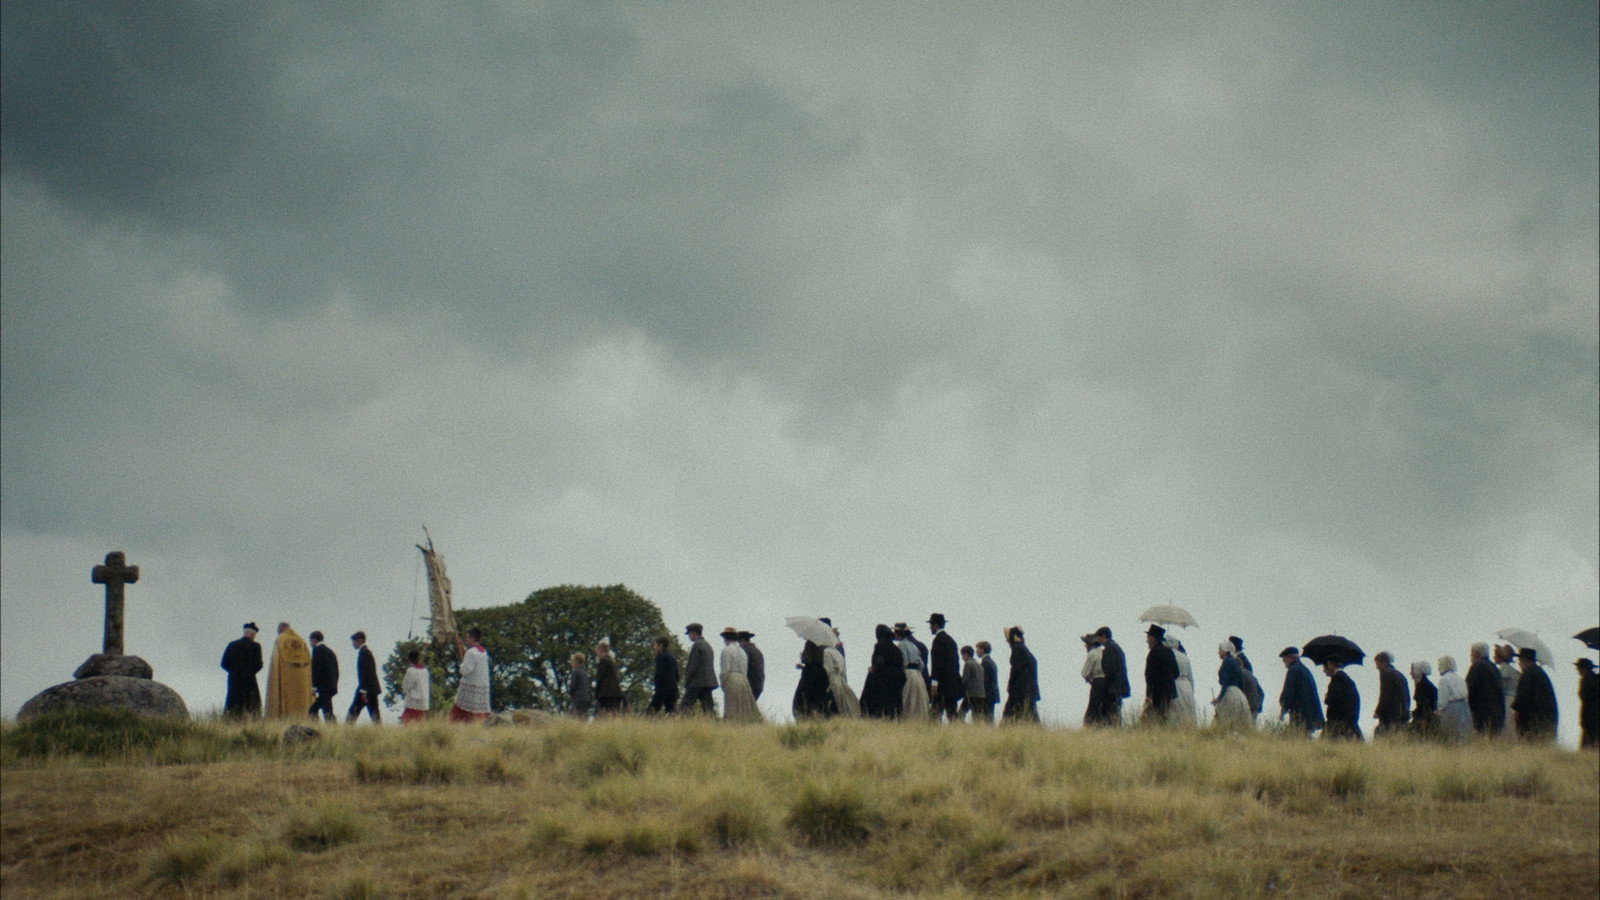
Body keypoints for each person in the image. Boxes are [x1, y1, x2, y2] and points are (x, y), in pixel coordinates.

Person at [266, 622, 312, 718]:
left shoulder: (280, 640)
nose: (277, 632)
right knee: (302, 701)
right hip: (302, 680)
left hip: (285, 678)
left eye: (277, 630)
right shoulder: (302, 641)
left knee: (285, 699)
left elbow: (275, 662)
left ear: (281, 629)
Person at [1509, 648, 1557, 741]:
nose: (1519, 664)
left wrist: (1517, 709)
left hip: (1531, 720)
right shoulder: (1540, 673)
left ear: (1525, 660)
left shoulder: (1528, 674)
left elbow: (1523, 696)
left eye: (1520, 661)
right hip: (1545, 719)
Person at [861, 624, 906, 719]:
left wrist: (873, 668)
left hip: (883, 680)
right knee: (892, 707)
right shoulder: (896, 648)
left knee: (876, 704)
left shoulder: (880, 645)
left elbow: (879, 661)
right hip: (896, 680)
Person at [719, 626, 763, 723]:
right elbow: (744, 670)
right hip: (743, 679)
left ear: (725, 638)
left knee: (731, 705)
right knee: (743, 706)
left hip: (732, 677)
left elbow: (725, 669)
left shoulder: (726, 650)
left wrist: (722, 682)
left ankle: (731, 723)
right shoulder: (742, 651)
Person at [220, 622, 263, 718]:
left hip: (234, 678)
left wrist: (233, 671)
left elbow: (223, 663)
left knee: (233, 701)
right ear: (253, 634)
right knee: (251, 702)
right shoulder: (256, 646)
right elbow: (259, 664)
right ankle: (252, 722)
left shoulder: (232, 645)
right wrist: (250, 672)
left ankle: (231, 720)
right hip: (249, 679)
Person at [1277, 647, 1323, 735]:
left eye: (1284, 659)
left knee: (1296, 738)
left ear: (1291, 657)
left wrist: (1283, 709)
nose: (1283, 661)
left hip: (1300, 714)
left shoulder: (1293, 670)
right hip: (1311, 714)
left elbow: (1288, 692)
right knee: (1306, 738)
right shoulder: (1305, 670)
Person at [928, 614, 964, 723]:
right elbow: (956, 663)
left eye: (931, 625)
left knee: (935, 714)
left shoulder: (938, 640)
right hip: (953, 682)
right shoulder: (951, 640)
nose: (930, 627)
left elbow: (936, 663)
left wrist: (934, 683)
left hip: (942, 683)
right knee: (952, 713)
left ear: (935, 625)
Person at [450, 628, 491, 723]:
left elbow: (465, 670)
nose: (466, 639)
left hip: (470, 686)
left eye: (467, 637)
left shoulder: (471, 652)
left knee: (461, 716)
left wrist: (461, 667)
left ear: (472, 638)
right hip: (480, 686)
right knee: (477, 715)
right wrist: (460, 645)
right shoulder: (483, 652)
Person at [1465, 642, 1505, 735]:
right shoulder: (1494, 667)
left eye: (1472, 652)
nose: (1470, 654)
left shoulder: (1476, 666)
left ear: (1477, 653)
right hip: (1497, 712)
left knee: (1482, 739)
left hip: (1482, 713)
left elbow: (1469, 688)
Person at [1143, 624, 1179, 724]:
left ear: (1153, 638)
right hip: (1169, 692)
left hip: (1157, 692)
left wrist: (1149, 694)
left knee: (1156, 719)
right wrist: (1168, 680)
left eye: (1148, 637)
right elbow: (1176, 672)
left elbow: (1149, 675)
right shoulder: (1170, 652)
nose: (1147, 640)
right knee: (1165, 717)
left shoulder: (1153, 653)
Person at [1002, 626, 1040, 722]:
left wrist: (1010, 685)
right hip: (1029, 689)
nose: (1007, 641)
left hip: (1020, 689)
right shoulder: (1024, 649)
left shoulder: (1017, 649)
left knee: (1011, 714)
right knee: (1030, 715)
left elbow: (1015, 669)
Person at [681, 623, 719, 715]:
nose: (689, 636)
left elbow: (693, 665)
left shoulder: (697, 645)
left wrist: (687, 681)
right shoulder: (707, 645)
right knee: (708, 708)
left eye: (689, 633)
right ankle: (712, 722)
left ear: (694, 633)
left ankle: (680, 721)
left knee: (685, 706)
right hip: (708, 682)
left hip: (697, 682)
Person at [1213, 642, 1253, 729]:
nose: (1218, 652)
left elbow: (1225, 682)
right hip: (1239, 695)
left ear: (1225, 651)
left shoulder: (1227, 662)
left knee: (1227, 722)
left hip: (1230, 694)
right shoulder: (1235, 662)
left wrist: (1219, 698)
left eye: (1220, 650)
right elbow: (1242, 682)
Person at [1321, 656, 1361, 741]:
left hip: (1338, 721)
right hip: (1349, 720)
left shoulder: (1337, 678)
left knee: (1324, 744)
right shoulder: (1345, 678)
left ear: (1331, 664)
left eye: (1327, 665)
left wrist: (1327, 698)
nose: (1324, 670)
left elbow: (1333, 700)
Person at [895, 623, 930, 720]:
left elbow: (905, 662)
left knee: (906, 698)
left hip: (908, 673)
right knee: (918, 699)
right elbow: (921, 664)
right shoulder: (913, 645)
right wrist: (918, 672)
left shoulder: (901, 645)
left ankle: (905, 719)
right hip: (917, 675)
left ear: (898, 634)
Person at [1096, 627, 1130, 726]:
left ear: (1103, 636)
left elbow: (1110, 670)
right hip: (1119, 687)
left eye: (1099, 638)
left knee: (1109, 715)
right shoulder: (1116, 647)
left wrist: (1105, 687)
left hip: (1113, 687)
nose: (1098, 641)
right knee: (1116, 714)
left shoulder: (1109, 648)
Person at [346, 631, 382, 724]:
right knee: (374, 713)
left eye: (354, 641)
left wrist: (363, 691)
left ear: (359, 640)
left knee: (353, 711)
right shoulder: (366, 652)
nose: (353, 644)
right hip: (372, 688)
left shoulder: (364, 653)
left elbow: (365, 673)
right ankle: (379, 730)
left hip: (366, 688)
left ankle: (346, 730)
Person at [1372, 651, 1409, 737]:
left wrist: (1378, 711)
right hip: (1402, 714)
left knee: (1381, 735)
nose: (1377, 667)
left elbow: (1385, 695)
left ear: (1384, 663)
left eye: (1377, 664)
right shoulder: (1400, 674)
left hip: (1391, 715)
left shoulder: (1386, 674)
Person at [822, 633, 860, 717]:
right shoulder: (838, 653)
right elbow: (843, 671)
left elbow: (828, 670)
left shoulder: (826, 652)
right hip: (841, 682)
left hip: (832, 681)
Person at [793, 641, 833, 718]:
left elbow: (806, 659)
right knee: (819, 699)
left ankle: (805, 716)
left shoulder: (810, 642)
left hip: (809, 675)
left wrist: (802, 656)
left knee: (803, 699)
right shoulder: (824, 646)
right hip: (822, 674)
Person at [1435, 655, 1470, 741]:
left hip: (1451, 709)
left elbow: (1443, 699)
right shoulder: (1460, 678)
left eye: (1439, 665)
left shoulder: (1444, 680)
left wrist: (1439, 710)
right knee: (1463, 734)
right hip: (1464, 708)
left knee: (1451, 735)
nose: (1438, 668)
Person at [308, 631, 339, 723]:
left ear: (314, 640)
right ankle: (332, 728)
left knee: (313, 710)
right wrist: (334, 683)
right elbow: (336, 671)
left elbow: (315, 669)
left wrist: (313, 686)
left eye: (310, 641)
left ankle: (315, 728)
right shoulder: (331, 652)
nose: (310, 643)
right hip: (331, 686)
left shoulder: (317, 650)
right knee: (326, 710)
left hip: (323, 687)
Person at [1168, 638, 1197, 726]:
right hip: (1187, 686)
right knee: (1188, 712)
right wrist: (1192, 691)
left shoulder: (1169, 655)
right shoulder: (1185, 657)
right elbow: (1191, 677)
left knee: (1175, 714)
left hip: (1176, 685)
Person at [1495, 643, 1521, 736]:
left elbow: (1501, 685)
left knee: (1507, 727)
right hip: (1512, 700)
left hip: (1507, 700)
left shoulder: (1505, 668)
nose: (1494, 657)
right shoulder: (1513, 670)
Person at [648, 636, 679, 714]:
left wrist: (656, 683)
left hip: (662, 690)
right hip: (673, 689)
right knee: (671, 712)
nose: (654, 647)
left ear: (661, 645)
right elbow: (677, 675)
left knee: (651, 712)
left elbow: (659, 673)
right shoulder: (672, 657)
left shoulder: (660, 657)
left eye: (656, 645)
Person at [1081, 634, 1107, 726]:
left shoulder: (1092, 654)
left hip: (1097, 683)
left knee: (1093, 708)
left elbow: (1084, 673)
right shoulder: (1104, 652)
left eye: (1086, 644)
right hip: (1107, 683)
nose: (1085, 646)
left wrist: (1089, 678)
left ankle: (1089, 727)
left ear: (1090, 644)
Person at [594, 641, 626, 715]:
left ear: (601, 650)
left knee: (605, 716)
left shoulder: (603, 661)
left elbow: (599, 678)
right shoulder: (612, 662)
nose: (597, 655)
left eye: (597, 652)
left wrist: (596, 693)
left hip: (606, 694)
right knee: (614, 715)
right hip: (616, 693)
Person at [1408, 660, 1437, 738]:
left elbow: (1424, 705)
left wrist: (1417, 715)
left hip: (1424, 719)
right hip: (1429, 716)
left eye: (1412, 670)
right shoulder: (1426, 683)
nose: (1411, 673)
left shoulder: (1421, 685)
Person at [400, 649, 430, 723]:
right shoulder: (425, 671)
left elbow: (407, 686)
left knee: (407, 722)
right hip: (423, 700)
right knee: (420, 722)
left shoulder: (411, 670)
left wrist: (404, 689)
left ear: (409, 659)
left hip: (412, 700)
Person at [1576, 659, 1599, 749]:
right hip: (1594, 718)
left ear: (1582, 669)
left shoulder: (1586, 680)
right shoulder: (1596, 679)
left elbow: (1584, 695)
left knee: (1587, 746)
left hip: (1589, 718)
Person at [960, 644, 986, 722]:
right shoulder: (979, 665)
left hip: (971, 694)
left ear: (966, 654)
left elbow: (965, 680)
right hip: (981, 694)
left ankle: (960, 727)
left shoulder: (968, 664)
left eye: (962, 655)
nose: (962, 658)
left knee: (960, 715)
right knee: (977, 717)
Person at [738, 631, 766, 701]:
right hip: (758, 685)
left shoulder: (745, 651)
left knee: (744, 706)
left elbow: (742, 669)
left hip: (750, 685)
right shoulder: (757, 651)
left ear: (742, 640)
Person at [977, 641, 1000, 724]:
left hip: (987, 695)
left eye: (977, 649)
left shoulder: (985, 663)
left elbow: (984, 681)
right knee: (989, 718)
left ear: (982, 649)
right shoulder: (991, 662)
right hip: (992, 694)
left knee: (986, 719)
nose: (976, 651)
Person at [568, 652, 594, 718]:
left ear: (576, 661)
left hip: (577, 699)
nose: (571, 663)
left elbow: (572, 686)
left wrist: (570, 695)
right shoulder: (585, 673)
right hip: (586, 699)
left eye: (572, 661)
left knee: (573, 718)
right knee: (583, 718)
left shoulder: (575, 672)